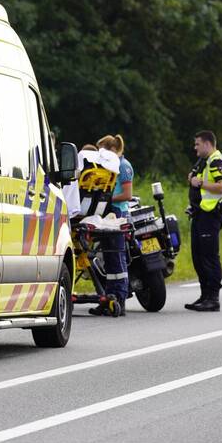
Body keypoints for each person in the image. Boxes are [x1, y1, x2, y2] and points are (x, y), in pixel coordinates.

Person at [185, 130, 222, 312]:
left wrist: (200, 183)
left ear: (207, 143)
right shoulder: (204, 161)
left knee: (209, 256)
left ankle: (213, 298)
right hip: (199, 214)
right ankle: (204, 295)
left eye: (197, 144)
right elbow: (195, 180)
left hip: (210, 216)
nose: (195, 147)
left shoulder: (217, 161)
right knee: (198, 257)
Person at [89, 134, 133, 317]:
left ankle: (120, 298)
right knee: (108, 258)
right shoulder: (111, 165)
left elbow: (127, 194)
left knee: (117, 256)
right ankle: (109, 298)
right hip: (108, 212)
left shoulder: (123, 166)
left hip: (118, 212)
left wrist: (106, 198)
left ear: (112, 150)